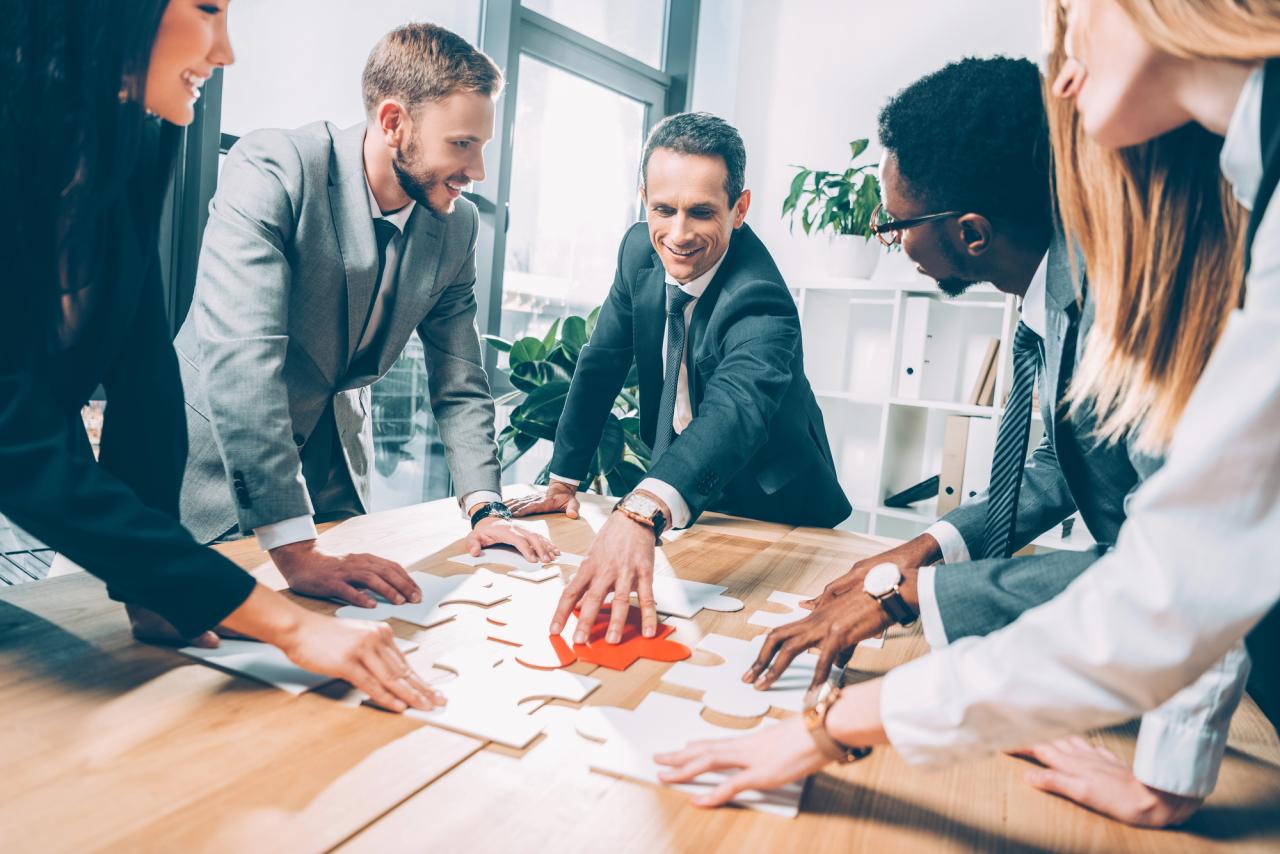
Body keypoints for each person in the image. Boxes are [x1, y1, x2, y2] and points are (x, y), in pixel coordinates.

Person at [655, 0, 1280, 823]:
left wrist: (850, 697)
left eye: (1077, 26)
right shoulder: (1121, 250)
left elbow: (1177, 569)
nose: (1063, 80)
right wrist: (926, 551)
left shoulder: (1145, 273)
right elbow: (1074, 477)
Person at [0, 0, 440, 714]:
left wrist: (157, 587)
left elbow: (145, 383)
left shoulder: (126, 154)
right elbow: (14, 438)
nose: (226, 49)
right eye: (206, 9)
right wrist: (283, 625)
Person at [176, 22, 555, 610]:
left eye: (482, 145)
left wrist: (485, 505)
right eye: (461, 144)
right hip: (212, 474)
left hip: (334, 481)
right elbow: (243, 361)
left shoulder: (456, 227)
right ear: (393, 122)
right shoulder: (273, 167)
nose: (477, 171)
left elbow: (460, 379)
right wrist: (295, 549)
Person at [505, 113, 850, 646]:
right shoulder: (638, 250)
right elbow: (601, 363)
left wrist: (641, 509)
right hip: (682, 501)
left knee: (731, 646)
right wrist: (564, 479)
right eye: (663, 209)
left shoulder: (761, 297)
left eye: (702, 213)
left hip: (775, 510)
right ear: (643, 197)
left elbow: (736, 412)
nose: (679, 234)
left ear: (740, 209)